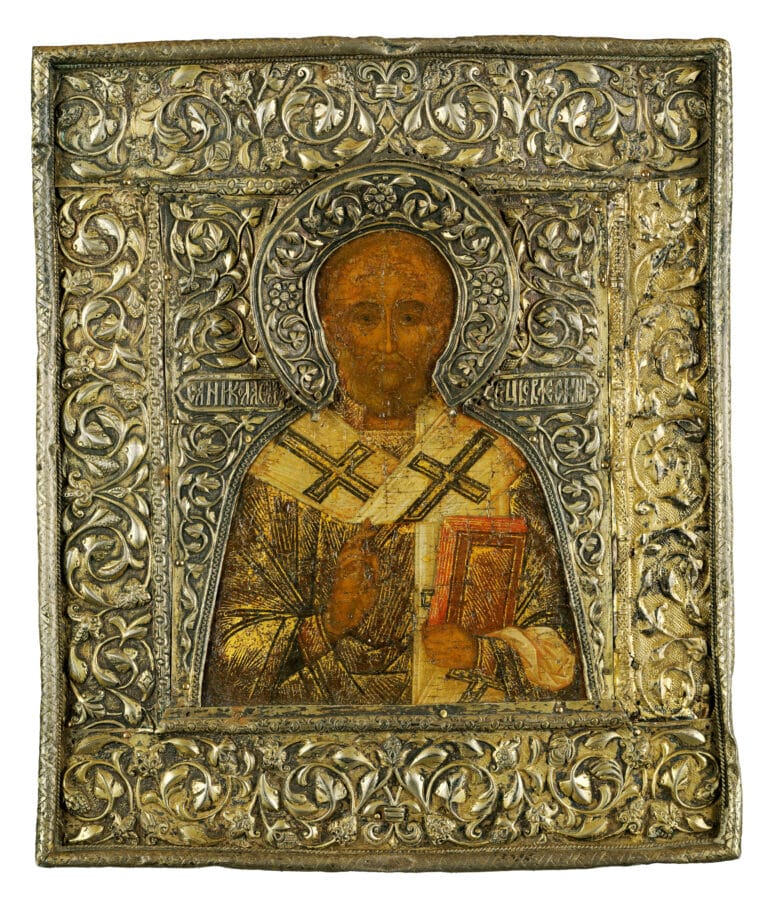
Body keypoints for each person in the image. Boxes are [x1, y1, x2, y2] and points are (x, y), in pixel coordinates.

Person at [203, 230, 584, 705]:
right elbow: (229, 665)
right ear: (330, 331)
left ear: (443, 329)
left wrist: (484, 655)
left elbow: (561, 653)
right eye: (365, 318)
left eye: (410, 317)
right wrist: (329, 624)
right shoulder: (280, 469)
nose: (388, 342)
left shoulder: (496, 465)